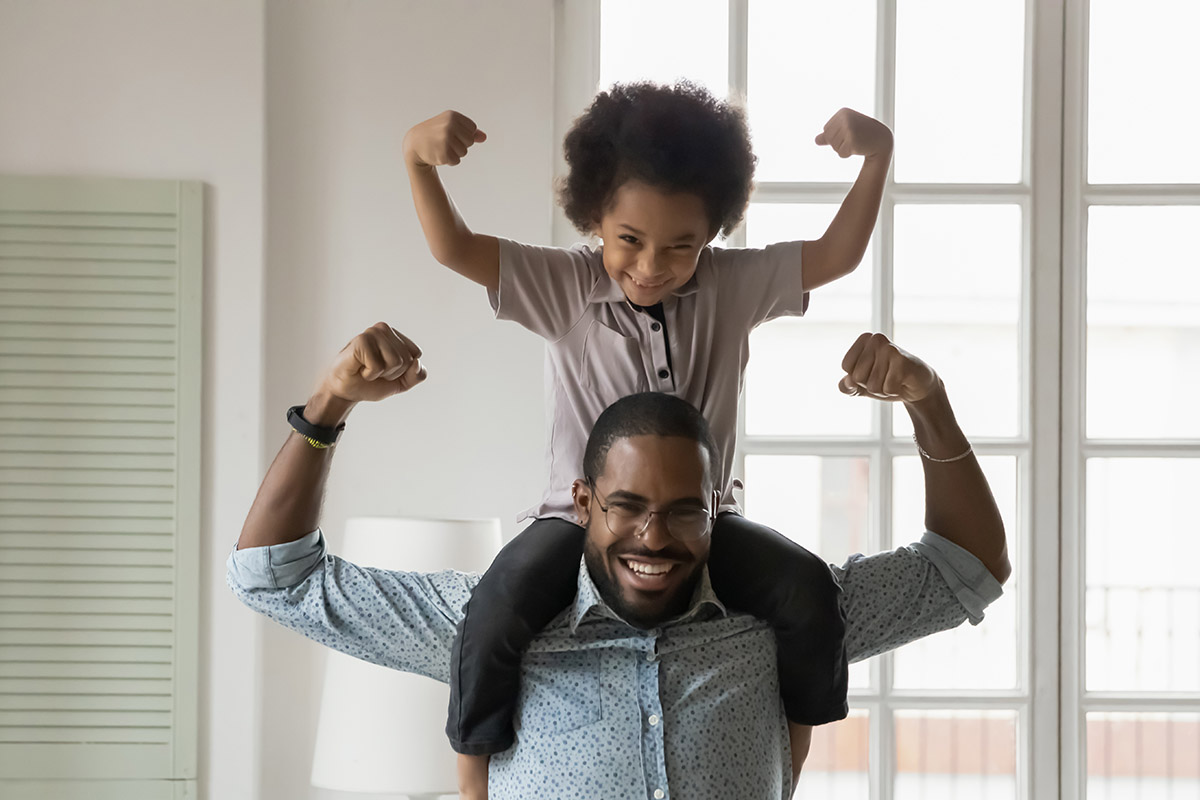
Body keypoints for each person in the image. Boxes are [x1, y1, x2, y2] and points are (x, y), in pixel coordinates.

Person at [229, 322, 1010, 800]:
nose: (653, 538)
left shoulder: (782, 618)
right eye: (628, 506)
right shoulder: (489, 623)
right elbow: (275, 576)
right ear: (582, 504)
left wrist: (927, 397)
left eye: (681, 511)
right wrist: (328, 406)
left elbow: (969, 565)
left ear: (717, 511)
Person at [401, 80, 896, 791]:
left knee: (808, 592)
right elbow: (454, 247)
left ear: (713, 233)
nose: (652, 265)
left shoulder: (732, 286)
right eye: (629, 240)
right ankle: (472, 781)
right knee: (494, 611)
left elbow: (834, 256)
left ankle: (785, 771)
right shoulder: (563, 286)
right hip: (578, 525)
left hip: (706, 523)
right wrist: (417, 160)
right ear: (594, 215)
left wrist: (877, 157)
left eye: (681, 246)